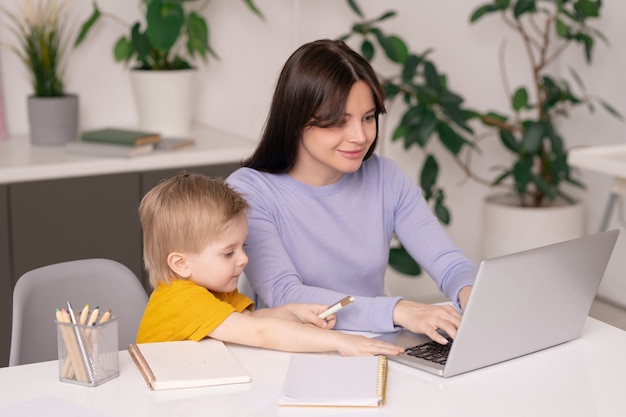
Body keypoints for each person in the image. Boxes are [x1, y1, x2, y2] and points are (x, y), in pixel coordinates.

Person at [227, 39, 477, 345]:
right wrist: (397, 310)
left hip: (377, 346)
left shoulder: (385, 177)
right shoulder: (251, 191)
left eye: (368, 118)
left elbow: (449, 264)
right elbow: (285, 293)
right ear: (295, 120)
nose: (360, 136)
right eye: (338, 122)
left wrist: (473, 298)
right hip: (296, 351)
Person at [135, 172, 404, 357]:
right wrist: (341, 342)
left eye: (244, 246)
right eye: (228, 253)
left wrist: (293, 312)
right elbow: (260, 332)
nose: (243, 259)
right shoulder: (183, 300)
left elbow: (248, 320)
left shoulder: (211, 287)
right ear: (181, 264)